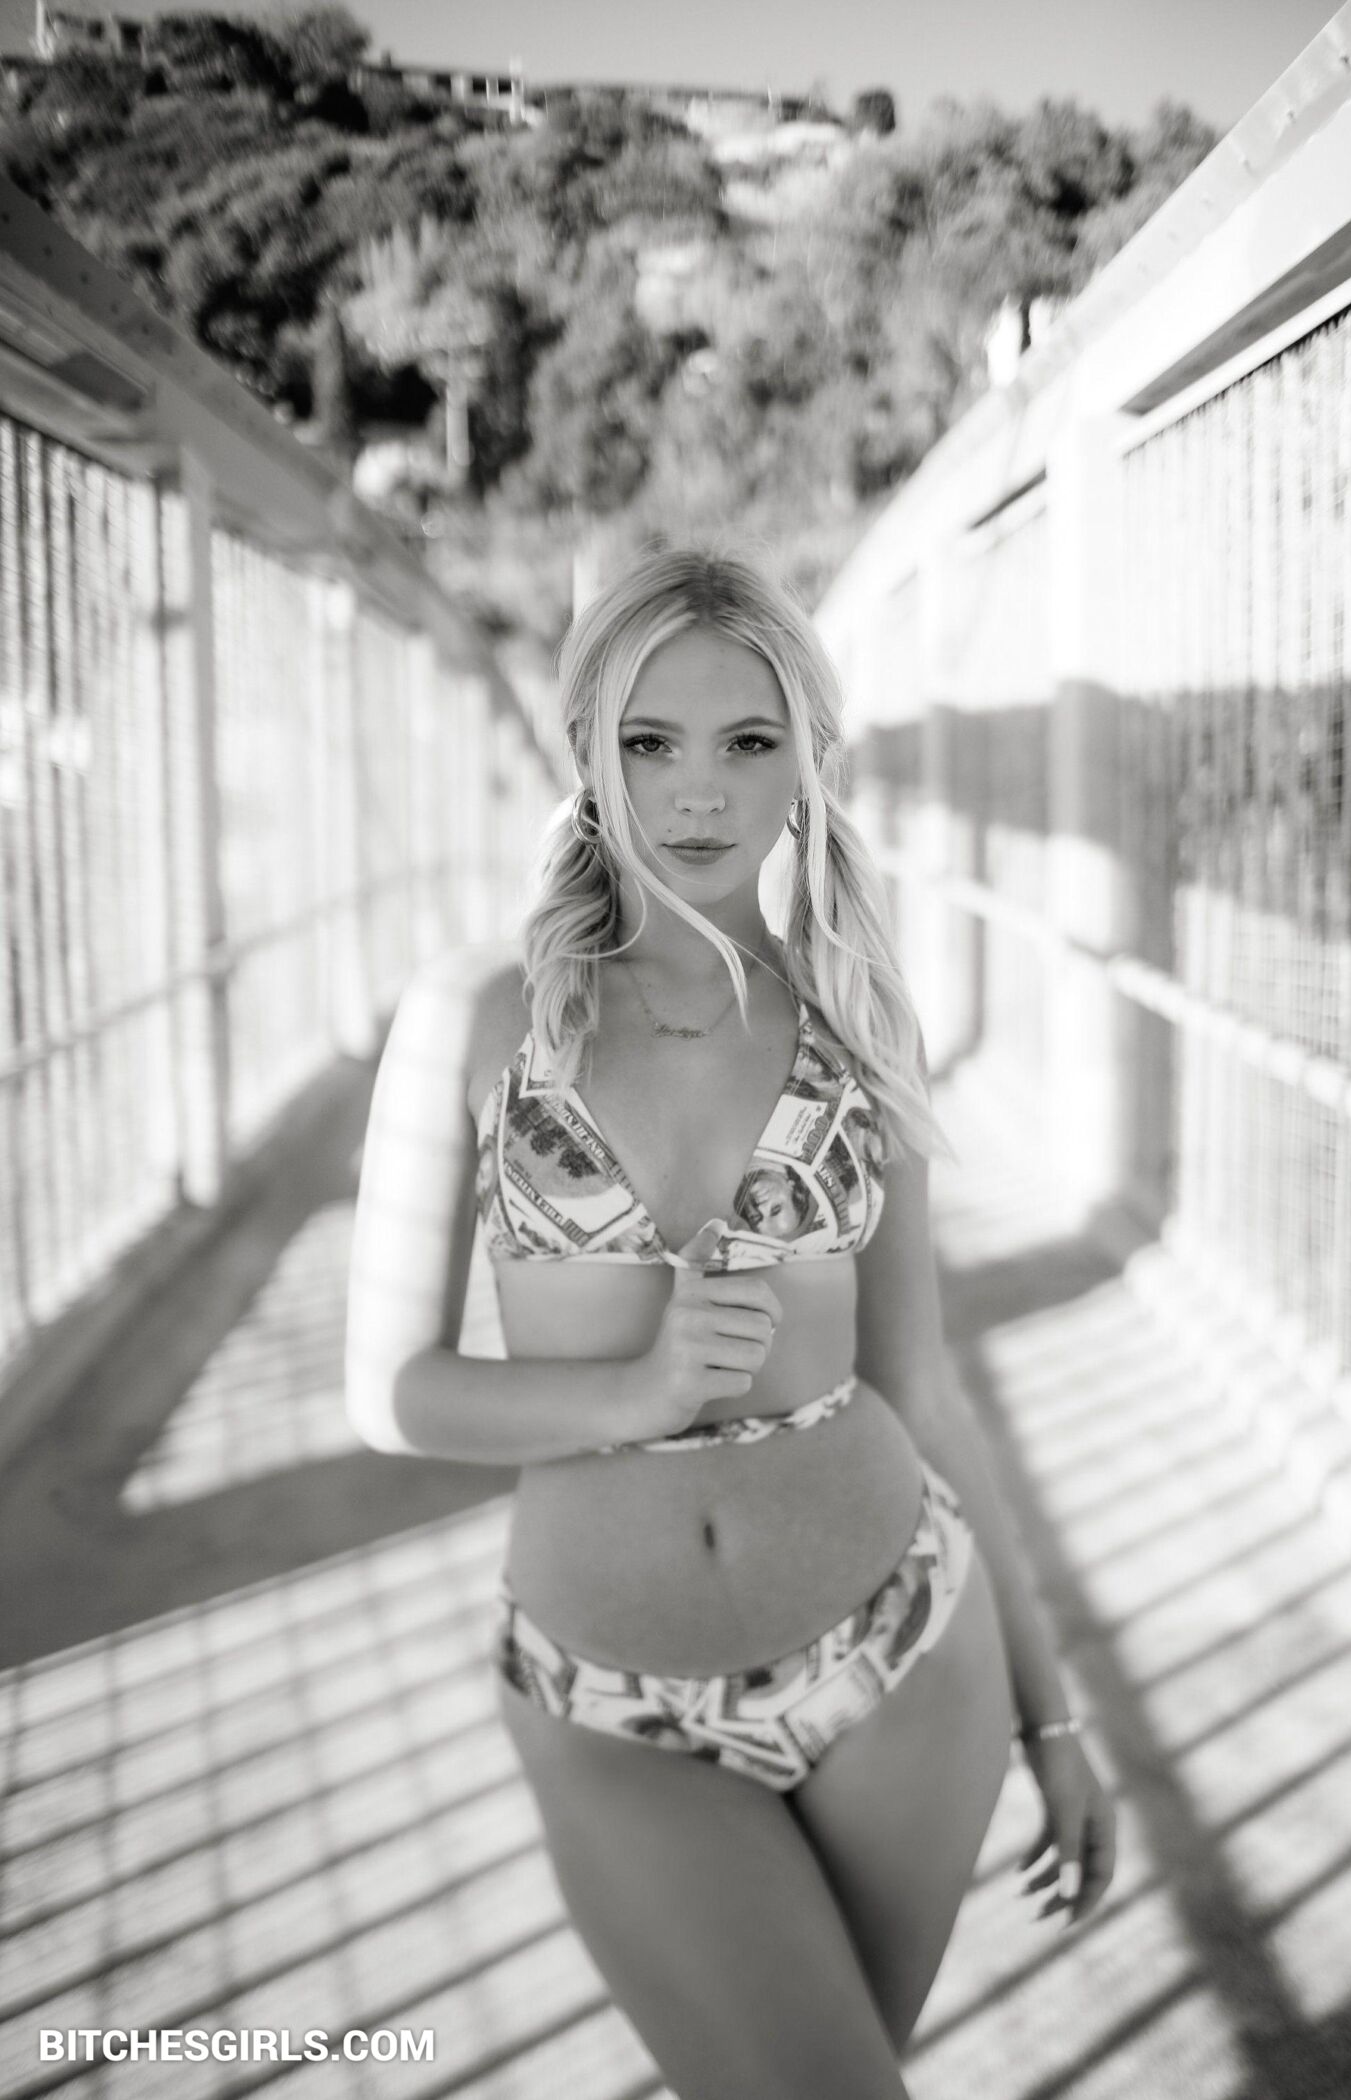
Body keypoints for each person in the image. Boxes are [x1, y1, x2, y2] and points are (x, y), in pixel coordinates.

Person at [344, 544, 1116, 2099]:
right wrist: (629, 1394)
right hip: (610, 1702)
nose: (698, 793)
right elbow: (393, 1391)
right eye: (651, 742)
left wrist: (1053, 1717)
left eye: (749, 742)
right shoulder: (477, 1022)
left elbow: (923, 1389)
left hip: (904, 1652)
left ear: (805, 758)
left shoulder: (856, 1016)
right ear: (586, 747)